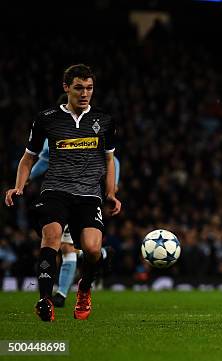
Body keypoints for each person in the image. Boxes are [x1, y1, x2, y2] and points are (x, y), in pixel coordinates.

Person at [4, 64, 121, 321]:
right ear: (66, 87)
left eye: (89, 88)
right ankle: (45, 300)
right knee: (52, 236)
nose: (84, 93)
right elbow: (28, 158)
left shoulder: (104, 121)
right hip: (56, 190)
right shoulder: (46, 119)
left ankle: (84, 288)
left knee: (92, 250)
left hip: (89, 195)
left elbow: (110, 160)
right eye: (79, 87)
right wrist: (19, 186)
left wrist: (111, 193)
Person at [29, 137, 120, 307]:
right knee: (61, 246)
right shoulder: (52, 130)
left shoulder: (91, 128)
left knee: (67, 247)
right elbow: (44, 160)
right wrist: (28, 178)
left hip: (84, 197)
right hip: (56, 196)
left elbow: (112, 159)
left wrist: (113, 184)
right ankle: (103, 255)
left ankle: (61, 295)